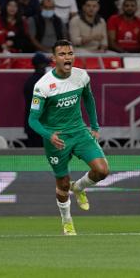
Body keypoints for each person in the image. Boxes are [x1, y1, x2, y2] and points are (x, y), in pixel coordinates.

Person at [28, 39, 110, 235]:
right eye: (63, 54)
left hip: (79, 132)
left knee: (102, 170)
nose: (68, 58)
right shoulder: (43, 86)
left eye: (70, 54)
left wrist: (95, 125)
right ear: (53, 59)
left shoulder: (82, 76)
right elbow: (33, 120)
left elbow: (88, 99)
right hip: (57, 138)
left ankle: (79, 187)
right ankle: (67, 221)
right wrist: (49, 135)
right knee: (62, 184)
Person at [23, 52, 51, 147]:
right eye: (47, 64)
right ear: (41, 65)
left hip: (32, 125)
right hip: (43, 125)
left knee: (34, 157)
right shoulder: (45, 82)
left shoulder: (29, 81)